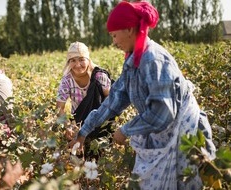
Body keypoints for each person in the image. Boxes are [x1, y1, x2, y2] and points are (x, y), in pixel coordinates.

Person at [69, 1, 216, 189]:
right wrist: (83, 133)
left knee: (183, 183)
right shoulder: (133, 60)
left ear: (129, 29)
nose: (113, 42)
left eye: (114, 35)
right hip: (162, 134)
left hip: (182, 135)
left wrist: (125, 130)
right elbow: (113, 101)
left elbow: (162, 113)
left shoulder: (153, 60)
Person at [56, 41, 113, 160]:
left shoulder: (99, 77)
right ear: (68, 62)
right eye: (73, 60)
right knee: (77, 160)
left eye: (81, 59)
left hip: (100, 124)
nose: (77, 64)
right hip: (78, 123)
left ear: (88, 59)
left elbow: (111, 101)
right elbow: (59, 108)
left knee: (99, 158)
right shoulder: (67, 81)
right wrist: (67, 126)